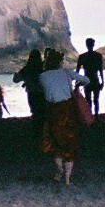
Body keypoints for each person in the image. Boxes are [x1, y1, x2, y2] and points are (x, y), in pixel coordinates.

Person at [37, 47, 84, 186]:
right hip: (67, 110)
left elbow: (43, 90)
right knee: (69, 142)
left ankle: (59, 170)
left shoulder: (43, 76)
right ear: (59, 62)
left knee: (54, 142)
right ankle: (68, 178)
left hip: (52, 110)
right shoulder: (66, 73)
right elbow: (86, 79)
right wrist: (77, 84)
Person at [14, 48, 47, 137]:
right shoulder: (43, 67)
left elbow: (15, 80)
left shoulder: (27, 68)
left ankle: (36, 132)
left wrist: (23, 79)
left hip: (32, 93)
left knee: (35, 112)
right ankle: (44, 132)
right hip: (43, 93)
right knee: (43, 112)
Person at [77, 37, 105, 117]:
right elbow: (100, 70)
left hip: (87, 80)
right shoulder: (98, 56)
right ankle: (96, 116)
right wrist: (102, 82)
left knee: (88, 100)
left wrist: (77, 82)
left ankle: (90, 116)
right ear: (93, 44)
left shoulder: (82, 57)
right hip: (95, 80)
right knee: (95, 100)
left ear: (86, 45)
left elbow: (77, 71)